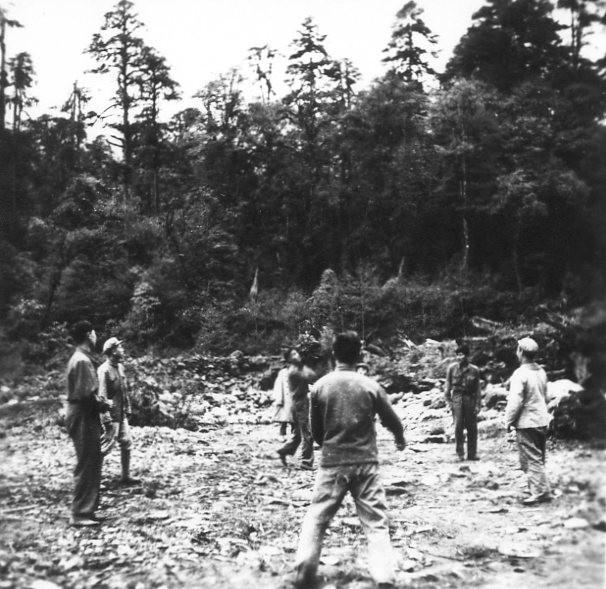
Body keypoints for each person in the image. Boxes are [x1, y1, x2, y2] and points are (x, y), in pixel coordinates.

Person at [294, 331, 406, 589]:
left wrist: (327, 443)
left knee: (317, 518)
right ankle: (384, 577)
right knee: (376, 521)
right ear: (360, 355)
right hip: (366, 463)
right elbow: (392, 419)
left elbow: (316, 432)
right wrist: (399, 438)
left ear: (334, 355)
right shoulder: (369, 385)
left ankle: (304, 572)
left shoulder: (321, 386)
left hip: (333, 462)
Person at [65, 320, 111, 526]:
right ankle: (80, 513)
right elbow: (86, 395)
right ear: (88, 335)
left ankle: (87, 510)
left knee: (93, 459)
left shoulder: (79, 358)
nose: (95, 336)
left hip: (83, 414)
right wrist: (104, 404)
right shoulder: (82, 360)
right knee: (87, 462)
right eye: (93, 333)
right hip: (83, 414)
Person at [505, 337, 551, 505]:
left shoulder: (520, 374)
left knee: (532, 458)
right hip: (541, 419)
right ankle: (537, 487)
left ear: (521, 352)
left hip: (527, 422)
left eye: (517, 350)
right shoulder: (541, 372)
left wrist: (508, 421)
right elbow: (545, 396)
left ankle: (541, 492)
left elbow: (515, 401)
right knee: (539, 456)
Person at [97, 337, 138, 485]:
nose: (123, 349)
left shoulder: (120, 367)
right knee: (104, 448)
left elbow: (123, 390)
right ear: (113, 351)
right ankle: (94, 481)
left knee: (127, 442)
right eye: (120, 347)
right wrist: (106, 419)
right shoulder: (103, 370)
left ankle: (125, 477)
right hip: (111, 416)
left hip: (121, 414)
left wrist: (127, 407)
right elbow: (102, 396)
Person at [277, 349, 316, 470]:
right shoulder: (294, 371)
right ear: (289, 359)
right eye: (294, 354)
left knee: (298, 435)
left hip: (297, 404)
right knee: (307, 433)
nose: (297, 355)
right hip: (300, 404)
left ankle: (284, 451)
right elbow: (311, 376)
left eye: (297, 353)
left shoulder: (296, 369)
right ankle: (306, 462)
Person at [445, 343, 482, 461]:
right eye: (457, 355)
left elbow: (478, 389)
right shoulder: (451, 368)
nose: (459, 357)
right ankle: (460, 453)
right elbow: (447, 386)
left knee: (472, 427)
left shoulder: (475, 370)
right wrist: (449, 402)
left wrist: (478, 404)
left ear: (466, 355)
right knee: (458, 425)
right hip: (457, 397)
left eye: (461, 354)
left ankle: (472, 454)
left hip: (470, 398)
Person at [272, 349, 296, 439]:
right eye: (288, 363)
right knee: (284, 418)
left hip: (294, 397)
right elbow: (278, 386)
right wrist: (278, 399)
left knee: (295, 417)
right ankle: (282, 434)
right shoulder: (283, 373)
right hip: (285, 398)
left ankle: (294, 434)